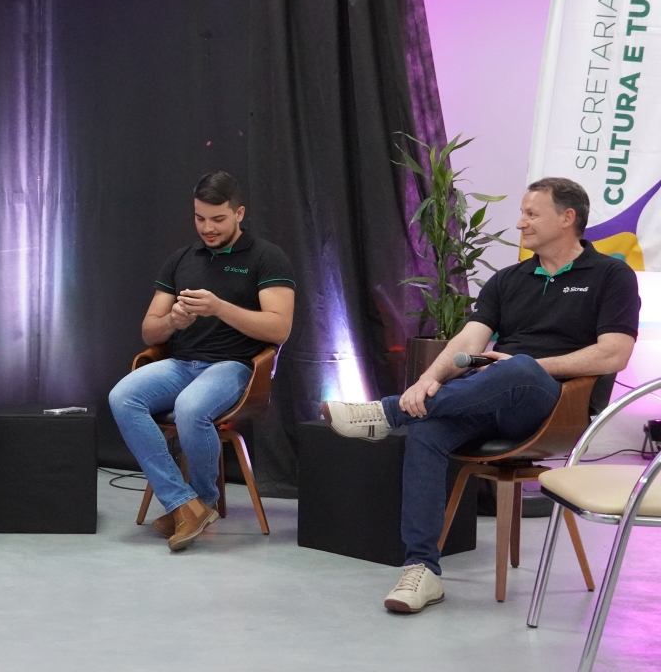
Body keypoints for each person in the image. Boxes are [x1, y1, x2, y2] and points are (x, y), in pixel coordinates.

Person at [322, 177, 640, 613]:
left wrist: (530, 367)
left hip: (558, 408)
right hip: (494, 397)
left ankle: (388, 414)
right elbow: (468, 342)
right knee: (427, 431)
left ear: (568, 218)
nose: (520, 223)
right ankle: (422, 569)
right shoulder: (509, 279)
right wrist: (426, 382)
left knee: (520, 368)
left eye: (531, 214)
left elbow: (615, 353)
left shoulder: (611, 275)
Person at [109, 172, 296, 551]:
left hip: (235, 366)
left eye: (218, 219)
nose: (207, 228)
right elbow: (150, 330)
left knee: (190, 407)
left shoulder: (266, 257)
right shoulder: (181, 259)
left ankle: (204, 500)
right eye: (200, 218)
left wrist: (220, 307)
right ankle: (185, 503)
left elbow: (279, 329)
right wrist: (172, 322)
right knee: (121, 397)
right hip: (182, 363)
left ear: (239, 213)